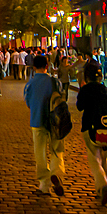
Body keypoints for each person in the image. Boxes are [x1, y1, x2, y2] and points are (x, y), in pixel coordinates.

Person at [75, 61, 107, 205]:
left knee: (94, 158)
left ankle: (102, 184)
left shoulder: (85, 89)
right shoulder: (105, 90)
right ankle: (101, 188)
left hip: (90, 127)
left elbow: (80, 107)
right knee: (105, 158)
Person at [24, 54, 65, 196]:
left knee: (39, 152)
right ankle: (56, 172)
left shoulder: (30, 83)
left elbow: (28, 102)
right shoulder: (54, 82)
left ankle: (44, 183)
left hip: (37, 120)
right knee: (56, 149)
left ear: (34, 67)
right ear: (47, 66)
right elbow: (60, 96)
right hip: (55, 121)